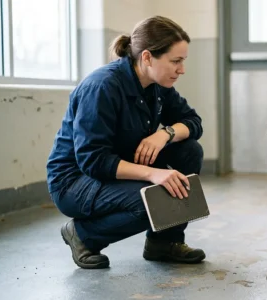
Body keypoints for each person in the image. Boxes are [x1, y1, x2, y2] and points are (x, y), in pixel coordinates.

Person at [46, 16, 206, 269]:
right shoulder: (101, 87)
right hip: (75, 181)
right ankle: (82, 234)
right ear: (146, 57)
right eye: (175, 61)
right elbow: (93, 160)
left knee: (189, 152)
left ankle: (164, 242)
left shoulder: (158, 84)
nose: (181, 69)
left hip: (117, 169)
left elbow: (193, 122)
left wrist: (164, 134)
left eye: (182, 61)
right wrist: (153, 174)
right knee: (156, 202)